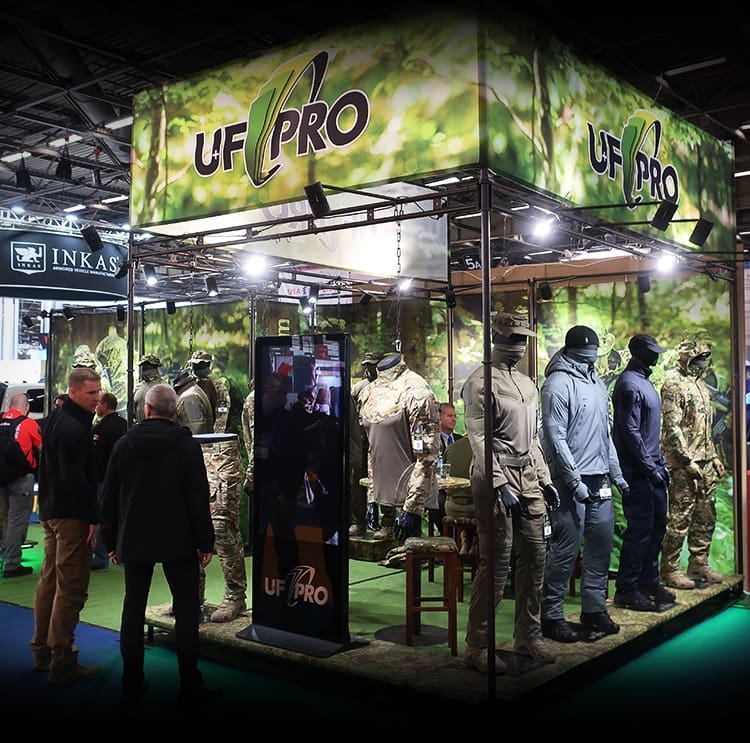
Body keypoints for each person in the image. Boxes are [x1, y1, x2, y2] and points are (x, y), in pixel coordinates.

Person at [99, 383, 215, 703]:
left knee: (133, 608)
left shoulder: (124, 445)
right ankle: (190, 684)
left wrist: (111, 540)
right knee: (187, 611)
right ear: (175, 411)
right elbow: (198, 497)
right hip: (179, 539)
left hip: (135, 537)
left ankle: (132, 682)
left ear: (146, 409)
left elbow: (109, 497)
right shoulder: (186, 446)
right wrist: (205, 541)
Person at [462, 312, 560, 674]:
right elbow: (478, 438)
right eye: (513, 338)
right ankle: (478, 645)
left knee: (536, 555)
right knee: (496, 561)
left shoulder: (526, 384)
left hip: (529, 475)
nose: (519, 345)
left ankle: (528, 636)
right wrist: (500, 483)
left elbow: (532, 438)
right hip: (494, 476)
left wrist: (545, 480)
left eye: (523, 339)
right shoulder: (479, 382)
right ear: (497, 338)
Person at [540, 325, 630, 643]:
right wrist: (573, 480)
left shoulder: (597, 383)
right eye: (588, 353)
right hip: (569, 481)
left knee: (601, 546)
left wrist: (616, 474)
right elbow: (556, 437)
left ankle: (594, 609)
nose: (593, 357)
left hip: (599, 477)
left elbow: (605, 435)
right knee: (565, 548)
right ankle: (551, 615)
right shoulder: (556, 385)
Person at [31, 367, 102, 684]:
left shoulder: (58, 420)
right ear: (73, 391)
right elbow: (75, 479)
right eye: (90, 393)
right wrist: (93, 516)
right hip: (71, 515)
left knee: (50, 582)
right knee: (70, 587)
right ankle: (62, 658)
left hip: (52, 511)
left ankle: (43, 650)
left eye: (98, 392)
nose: (96, 398)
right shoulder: (73, 429)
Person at [611, 334, 675, 611]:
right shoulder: (629, 384)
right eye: (652, 351)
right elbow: (630, 432)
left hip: (653, 467)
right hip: (638, 471)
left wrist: (660, 464)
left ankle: (648, 583)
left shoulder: (645, 381)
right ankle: (627, 589)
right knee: (640, 530)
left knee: (657, 527)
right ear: (637, 352)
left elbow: (648, 432)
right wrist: (649, 468)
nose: (656, 356)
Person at [660, 335, 725, 589]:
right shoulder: (674, 384)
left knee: (706, 516)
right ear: (687, 356)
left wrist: (714, 456)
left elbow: (704, 428)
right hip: (683, 465)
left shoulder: (701, 385)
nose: (703, 362)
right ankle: (670, 570)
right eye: (699, 357)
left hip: (705, 461)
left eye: (705, 357)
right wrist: (686, 461)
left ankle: (699, 563)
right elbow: (672, 427)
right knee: (680, 518)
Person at [357, 352, 440, 541]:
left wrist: (411, 507)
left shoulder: (417, 391)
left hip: (412, 490)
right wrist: (372, 498)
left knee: (412, 551)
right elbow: (372, 448)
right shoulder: (368, 393)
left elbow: (426, 454)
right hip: (383, 490)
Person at [1, 392, 42, 578]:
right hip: (21, 478)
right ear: (27, 407)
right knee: (17, 520)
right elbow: (42, 449)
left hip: (2, 478)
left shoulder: (1, 421)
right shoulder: (28, 424)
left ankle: (6, 554)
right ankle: (12, 563)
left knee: (7, 518)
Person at [90, 392, 127, 571]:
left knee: (104, 517)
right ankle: (122, 553)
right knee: (121, 516)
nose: (96, 406)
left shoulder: (101, 429)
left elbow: (96, 457)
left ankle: (101, 558)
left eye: (98, 403)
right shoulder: (124, 425)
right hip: (122, 479)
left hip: (104, 479)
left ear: (104, 406)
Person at [349, 352, 378, 537]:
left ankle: (386, 523)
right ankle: (358, 522)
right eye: (367, 365)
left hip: (380, 441)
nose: (369, 368)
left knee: (383, 482)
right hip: (362, 441)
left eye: (372, 364)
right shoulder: (358, 388)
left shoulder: (388, 388)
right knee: (359, 483)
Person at [428, 402, 463, 535]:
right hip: (440, 488)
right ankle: (447, 537)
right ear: (439, 418)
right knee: (437, 501)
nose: (453, 419)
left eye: (455, 416)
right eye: (449, 416)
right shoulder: (433, 441)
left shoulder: (460, 441)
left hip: (460, 487)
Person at [188, 350, 230, 433]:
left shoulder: (217, 385)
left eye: (200, 364)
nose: (197, 367)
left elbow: (223, 409)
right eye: (194, 364)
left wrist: (217, 432)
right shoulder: (189, 382)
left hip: (209, 430)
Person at [133, 354, 163, 423]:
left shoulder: (163, 387)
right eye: (144, 367)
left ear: (155, 367)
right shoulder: (138, 387)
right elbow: (132, 412)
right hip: (141, 427)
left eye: (148, 366)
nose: (145, 369)